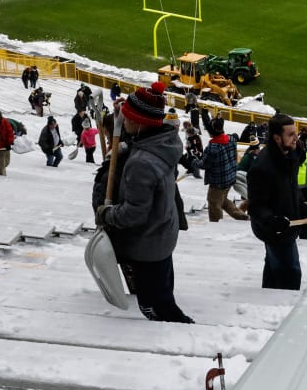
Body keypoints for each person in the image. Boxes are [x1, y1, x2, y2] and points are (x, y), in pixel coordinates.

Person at [96, 83, 192, 323]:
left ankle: (175, 333)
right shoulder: (165, 140)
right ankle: (176, 323)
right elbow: (142, 136)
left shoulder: (142, 164)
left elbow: (133, 214)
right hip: (162, 236)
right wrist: (122, 119)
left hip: (147, 245)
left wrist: (106, 213)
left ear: (139, 122)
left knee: (153, 306)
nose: (124, 121)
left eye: (128, 117)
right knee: (164, 296)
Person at [248, 113, 307, 290]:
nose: (296, 139)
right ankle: (283, 308)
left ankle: (269, 301)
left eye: (296, 134)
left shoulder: (290, 156)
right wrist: (272, 220)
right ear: (277, 137)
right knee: (289, 273)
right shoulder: (262, 168)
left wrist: (304, 212)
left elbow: (291, 190)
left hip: (289, 225)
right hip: (275, 231)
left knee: (274, 268)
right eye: (290, 135)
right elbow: (256, 207)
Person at [200, 117, 248, 221]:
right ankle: (241, 215)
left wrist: (192, 161)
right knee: (222, 200)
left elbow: (204, 164)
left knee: (213, 203)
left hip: (218, 182)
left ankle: (216, 225)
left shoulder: (213, 147)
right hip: (230, 178)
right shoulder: (231, 139)